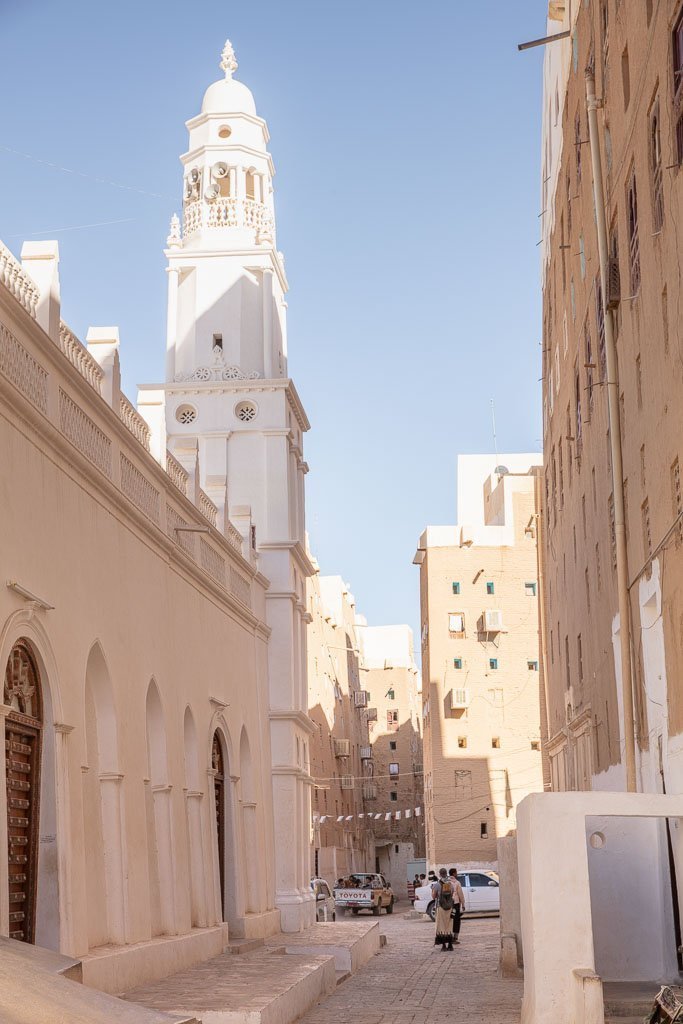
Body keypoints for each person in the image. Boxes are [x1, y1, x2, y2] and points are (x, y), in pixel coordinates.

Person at [431, 868, 456, 951]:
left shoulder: (437, 885)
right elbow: (452, 893)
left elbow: (434, 896)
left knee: (441, 926)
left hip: (440, 907)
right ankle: (450, 945)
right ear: (446, 874)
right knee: (449, 925)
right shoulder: (450, 884)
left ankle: (444, 946)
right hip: (449, 907)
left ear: (440, 874)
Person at [448, 868, 466, 945]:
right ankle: (455, 937)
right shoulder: (457, 883)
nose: (457, 874)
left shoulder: (446, 882)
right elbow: (460, 894)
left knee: (450, 920)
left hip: (448, 904)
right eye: (456, 872)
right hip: (455, 904)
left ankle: (449, 937)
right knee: (456, 921)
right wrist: (463, 904)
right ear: (454, 873)